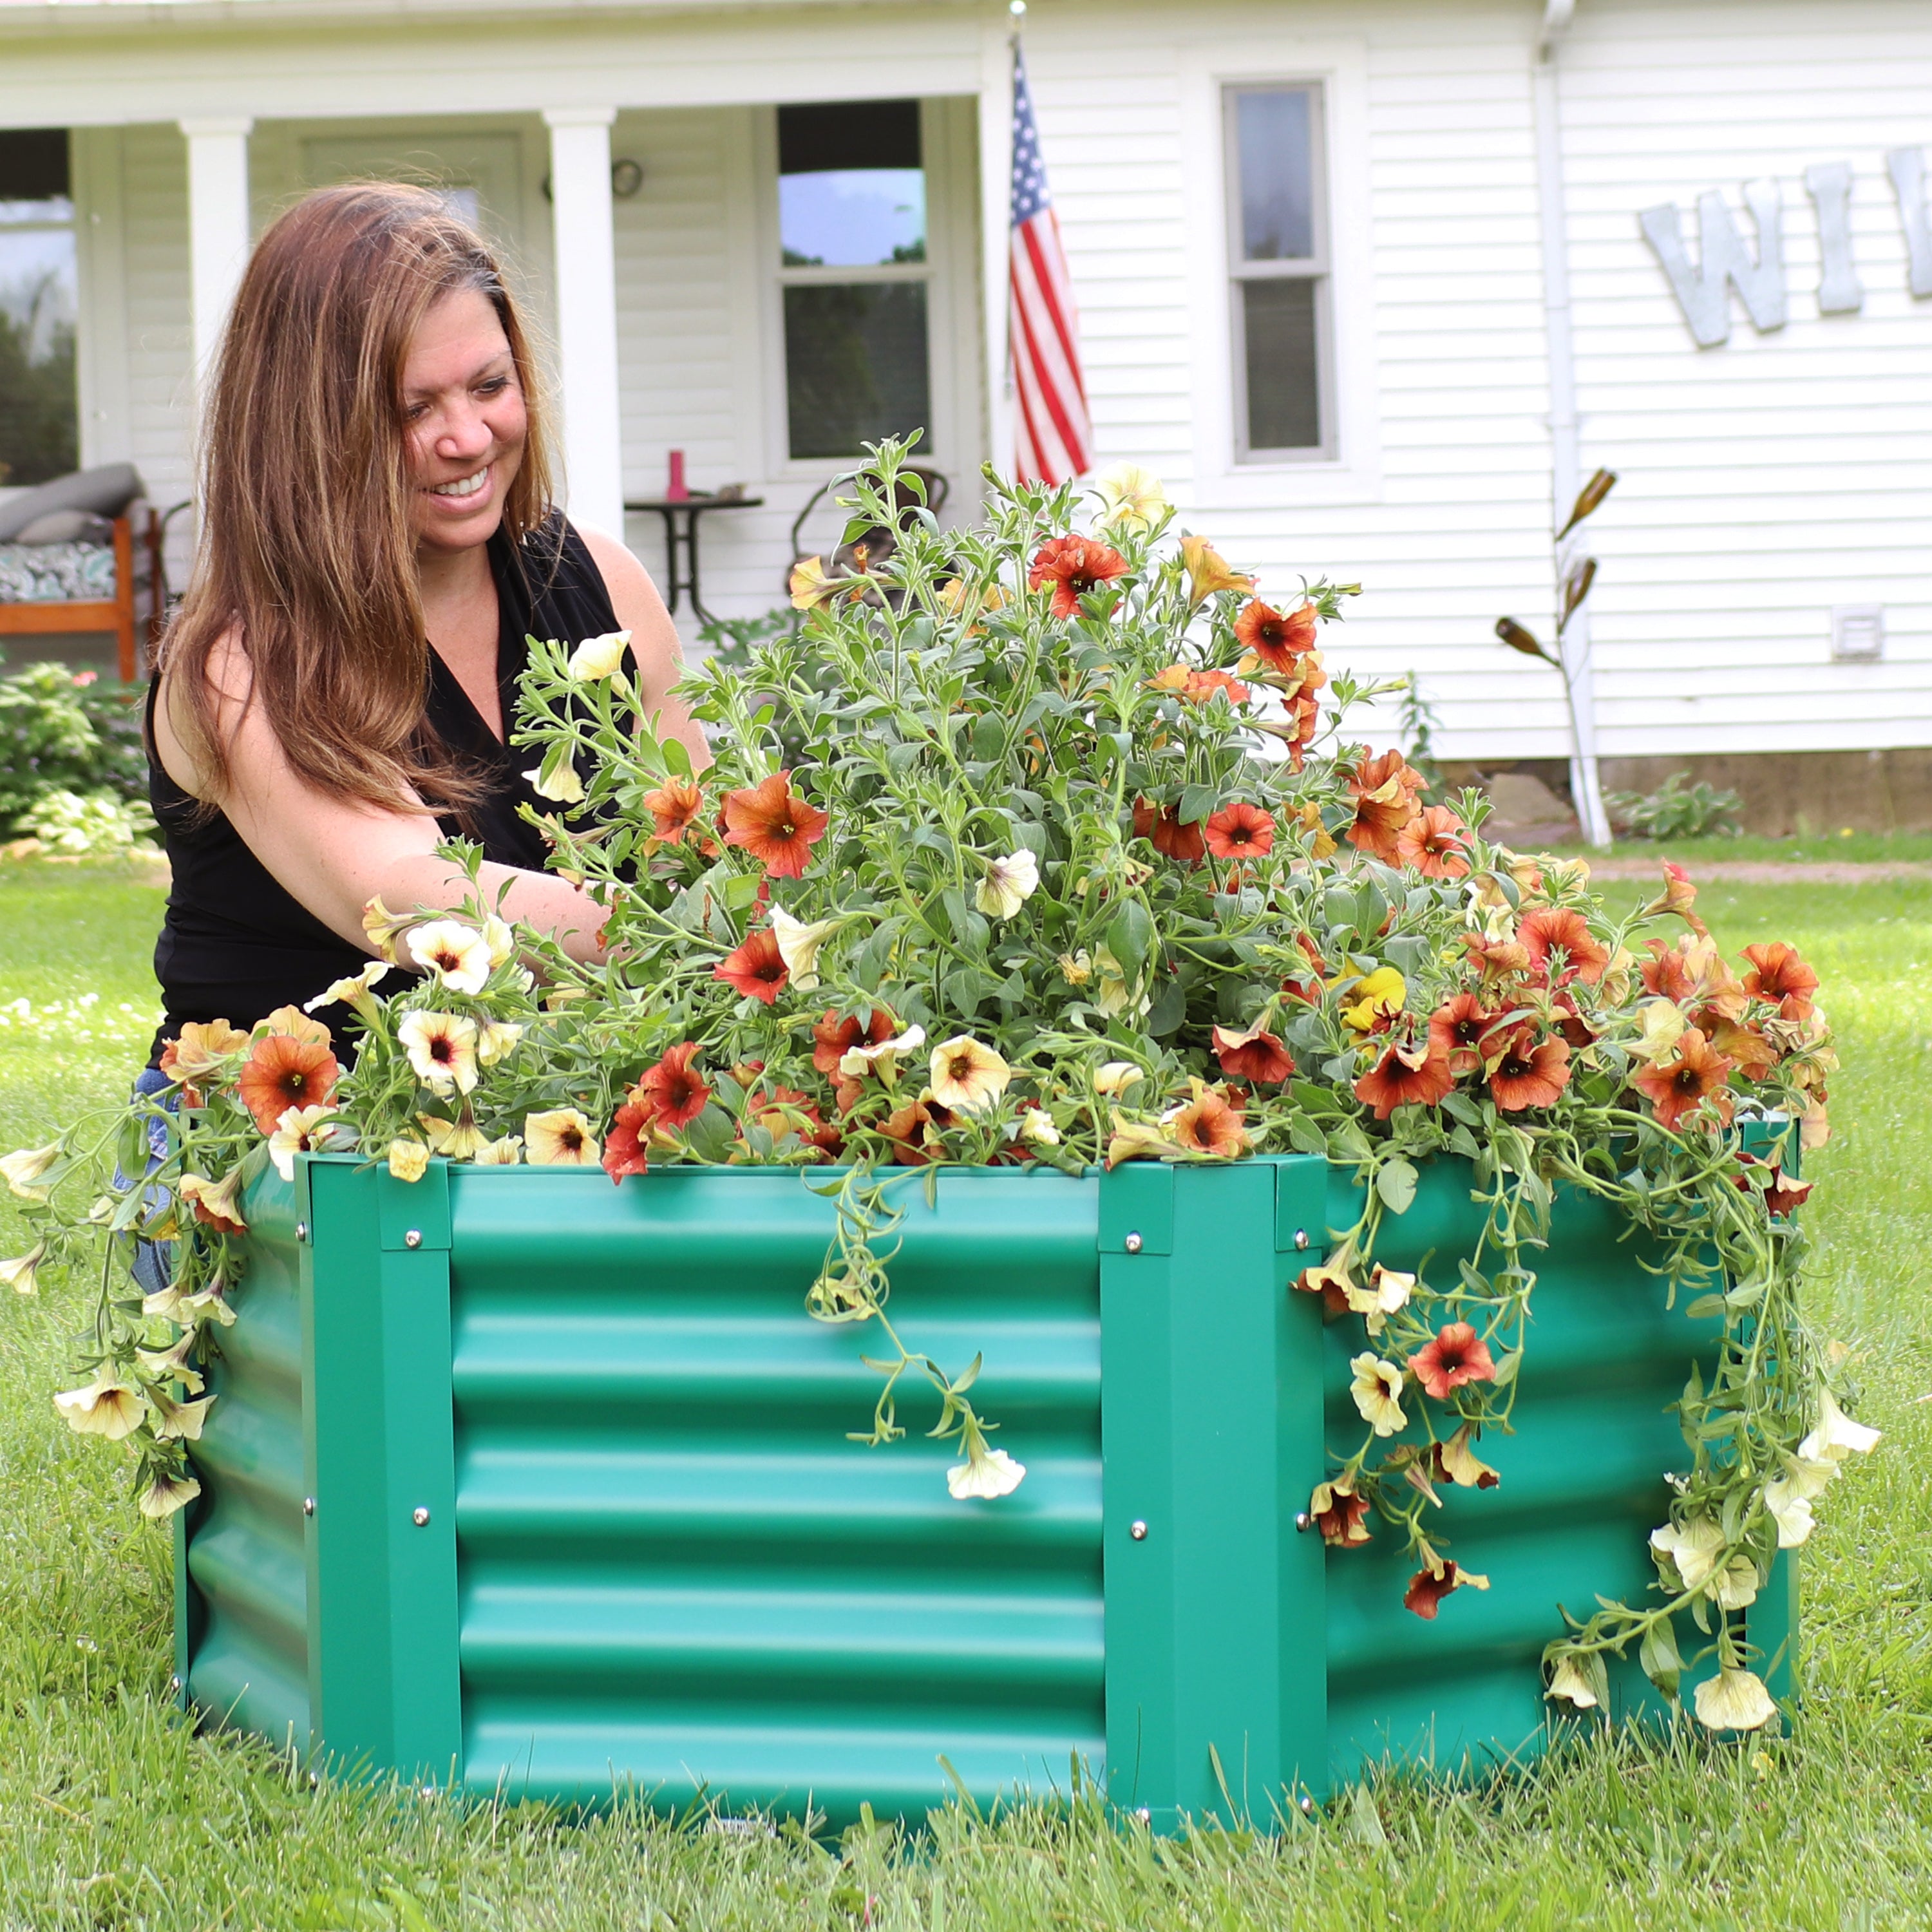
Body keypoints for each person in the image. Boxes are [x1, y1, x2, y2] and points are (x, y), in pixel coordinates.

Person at [143, 181, 707, 1074]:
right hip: (301, 1158)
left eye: (490, 385)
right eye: (413, 410)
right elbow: (416, 902)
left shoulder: (601, 580)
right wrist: (716, 940)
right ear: (311, 431)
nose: (469, 437)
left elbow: (701, 839)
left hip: (551, 1125)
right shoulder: (238, 668)